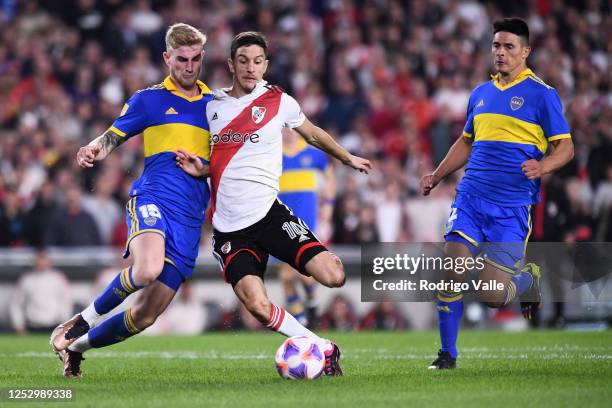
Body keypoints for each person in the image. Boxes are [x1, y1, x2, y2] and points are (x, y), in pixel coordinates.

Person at [176, 31, 371, 376]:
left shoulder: (280, 101)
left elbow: (312, 134)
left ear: (266, 65)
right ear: (231, 64)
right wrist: (202, 169)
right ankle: (324, 348)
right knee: (258, 306)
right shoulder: (212, 107)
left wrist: (345, 157)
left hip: (270, 215)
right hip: (231, 231)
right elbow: (219, 160)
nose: (251, 68)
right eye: (243, 61)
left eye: (257, 61)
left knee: (334, 275)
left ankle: (315, 261)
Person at [50, 23, 215, 379]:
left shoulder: (216, 107)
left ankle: (75, 348)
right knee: (147, 269)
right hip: (152, 197)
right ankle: (81, 321)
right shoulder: (149, 99)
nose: (189, 66)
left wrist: (205, 170)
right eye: (181, 59)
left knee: (145, 315)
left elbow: (223, 164)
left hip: (189, 219)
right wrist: (94, 148)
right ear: (166, 58)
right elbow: (113, 134)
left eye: (195, 59)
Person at [420, 18, 574, 369]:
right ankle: (447, 354)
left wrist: (543, 166)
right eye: (496, 46)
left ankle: (525, 280)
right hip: (471, 197)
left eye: (508, 47)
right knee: (453, 266)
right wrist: (438, 175)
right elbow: (466, 141)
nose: (500, 53)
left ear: (526, 51)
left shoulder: (542, 94)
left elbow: (565, 149)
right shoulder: (481, 93)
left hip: (512, 207)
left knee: (492, 297)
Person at [277, 127, 336, 328]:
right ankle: (302, 323)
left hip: (307, 222)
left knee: (304, 274)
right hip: (280, 221)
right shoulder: (273, 153)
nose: (288, 132)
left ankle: (311, 301)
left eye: (291, 127)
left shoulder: (313, 154)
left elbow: (330, 179)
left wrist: (328, 205)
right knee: (285, 276)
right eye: (284, 128)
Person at [10, 249, 73, 335]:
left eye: (44, 259)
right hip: (32, 326)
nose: (41, 262)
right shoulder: (26, 279)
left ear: (49, 261)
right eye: (39, 259)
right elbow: (16, 303)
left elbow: (66, 301)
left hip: (54, 326)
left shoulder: (59, 278)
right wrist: (18, 325)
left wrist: (65, 324)